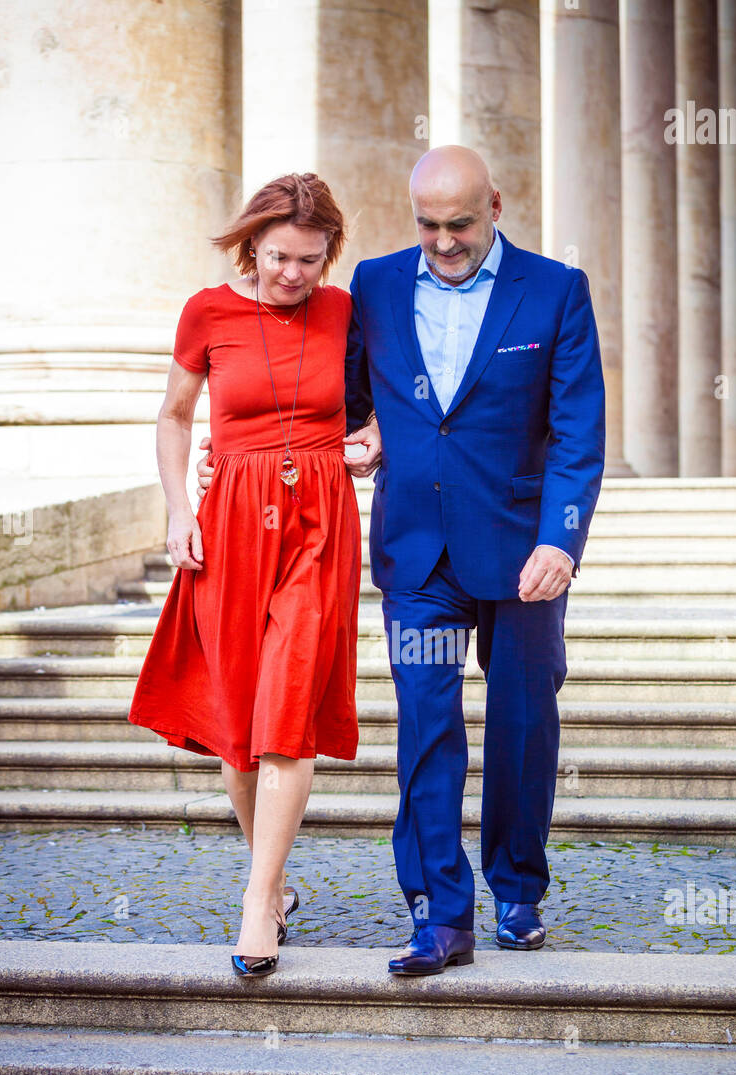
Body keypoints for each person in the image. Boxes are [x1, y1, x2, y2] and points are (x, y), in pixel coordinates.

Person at [199, 145, 606, 978]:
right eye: (428, 224)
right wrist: (241, 449)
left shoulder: (557, 291)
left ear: (495, 204)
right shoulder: (378, 288)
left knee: (525, 724)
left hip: (523, 552)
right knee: (426, 727)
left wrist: (561, 540)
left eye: (460, 224)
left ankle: (519, 892)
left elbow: (578, 430)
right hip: (418, 554)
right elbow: (335, 396)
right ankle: (437, 916)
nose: (445, 241)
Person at [128, 173, 380, 978]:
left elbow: (375, 413)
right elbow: (174, 416)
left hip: (318, 523)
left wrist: (372, 439)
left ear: (329, 253)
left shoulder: (345, 313)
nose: (293, 275)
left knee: (287, 709)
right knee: (237, 727)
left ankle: (256, 901)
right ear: (251, 246)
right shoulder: (208, 311)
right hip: (231, 520)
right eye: (278, 257)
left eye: (310, 259)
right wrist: (178, 510)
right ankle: (275, 881)